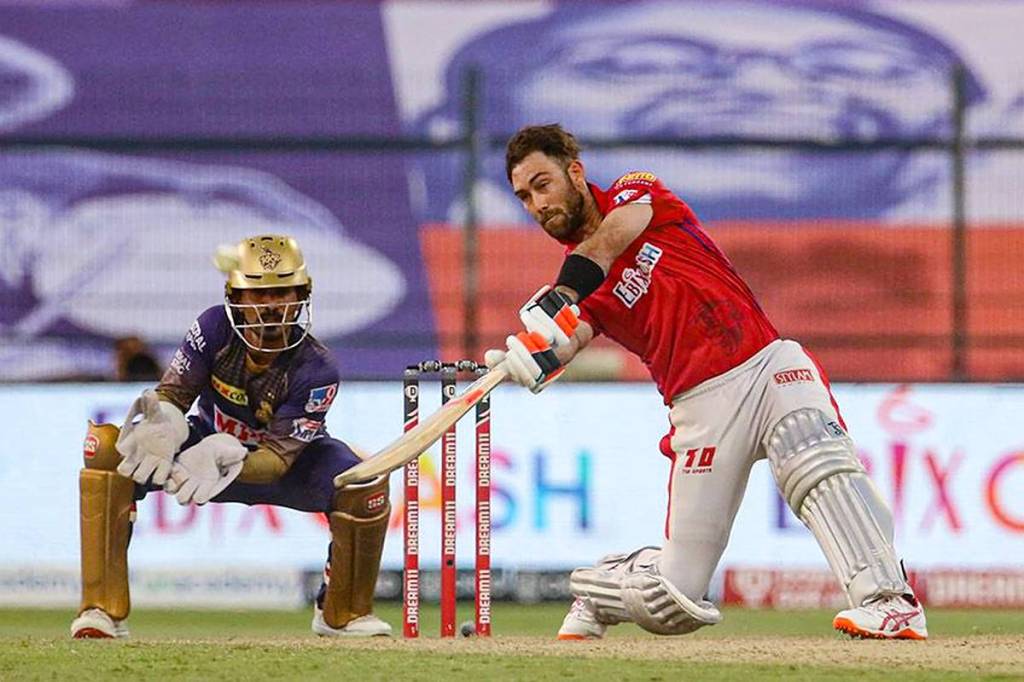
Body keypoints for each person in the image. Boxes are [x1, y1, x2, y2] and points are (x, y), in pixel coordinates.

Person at [484, 124, 927, 640]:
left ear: (575, 173)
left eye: (543, 185)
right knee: (672, 599)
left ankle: (889, 602)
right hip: (701, 410)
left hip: (766, 364)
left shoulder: (636, 192)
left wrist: (562, 297)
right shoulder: (584, 290)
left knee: (815, 458)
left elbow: (608, 243)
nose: (536, 204)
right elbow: (570, 338)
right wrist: (531, 358)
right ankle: (602, 586)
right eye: (523, 196)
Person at [71, 234, 392, 639]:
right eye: (258, 295)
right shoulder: (213, 327)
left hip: (284, 467)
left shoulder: (318, 367)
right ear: (235, 296)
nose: (271, 306)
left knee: (364, 482)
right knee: (105, 452)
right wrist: (166, 425)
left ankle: (341, 612)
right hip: (198, 451)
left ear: (301, 295)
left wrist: (231, 456)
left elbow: (278, 458)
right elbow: (174, 394)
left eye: (282, 293)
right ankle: (101, 610)